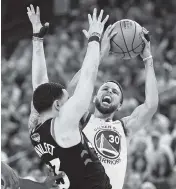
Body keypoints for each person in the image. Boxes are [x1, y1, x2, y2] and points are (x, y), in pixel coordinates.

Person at [28, 5, 158, 189]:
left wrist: (148, 59)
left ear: (120, 105)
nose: (109, 92)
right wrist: (98, 48)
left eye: (115, 92)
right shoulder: (80, 119)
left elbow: (151, 105)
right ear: (94, 96)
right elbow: (75, 88)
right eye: (105, 88)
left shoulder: (124, 127)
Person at [27, 4, 116, 189]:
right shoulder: (63, 123)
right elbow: (87, 79)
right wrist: (94, 39)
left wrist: (37, 39)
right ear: (58, 105)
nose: (70, 101)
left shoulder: (34, 127)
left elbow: (39, 84)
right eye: (68, 99)